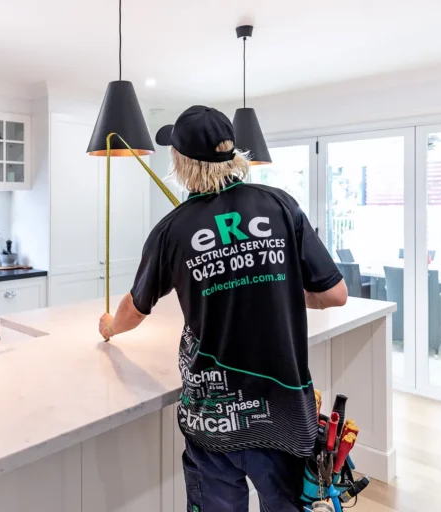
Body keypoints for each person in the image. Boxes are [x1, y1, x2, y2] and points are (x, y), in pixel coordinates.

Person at [97, 106, 348, 511]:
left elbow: (135, 308)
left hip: (213, 420)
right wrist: (274, 284)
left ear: (181, 163)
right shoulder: (281, 206)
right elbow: (334, 294)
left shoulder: (172, 230)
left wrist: (109, 327)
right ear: (234, 155)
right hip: (284, 414)